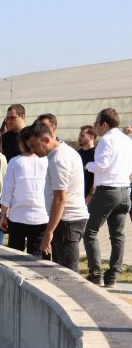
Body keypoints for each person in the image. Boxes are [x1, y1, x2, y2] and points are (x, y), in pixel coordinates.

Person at [26, 122, 88, 272]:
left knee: (68, 272)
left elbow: (60, 199)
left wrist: (49, 231)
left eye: (34, 146)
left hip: (67, 221)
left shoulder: (58, 159)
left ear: (46, 139)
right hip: (68, 220)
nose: (32, 151)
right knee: (63, 268)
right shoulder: (64, 151)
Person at [82, 108, 132, 287]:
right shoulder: (127, 140)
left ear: (104, 124)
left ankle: (96, 274)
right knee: (118, 235)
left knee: (90, 231)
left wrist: (88, 165)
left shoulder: (106, 140)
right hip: (124, 191)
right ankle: (113, 276)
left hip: (107, 191)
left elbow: (102, 165)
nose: (95, 127)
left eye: (96, 123)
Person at [0, 127, 50, 258]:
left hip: (18, 215)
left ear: (21, 143)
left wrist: (3, 214)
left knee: (15, 255)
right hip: (42, 215)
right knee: (37, 254)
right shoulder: (46, 160)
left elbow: (7, 191)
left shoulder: (15, 162)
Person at [77, 125, 97, 203]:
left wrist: (90, 195)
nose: (79, 138)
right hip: (78, 197)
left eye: (82, 136)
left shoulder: (96, 154)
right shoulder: (77, 154)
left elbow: (97, 177)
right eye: (79, 135)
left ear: (91, 137)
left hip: (91, 198)